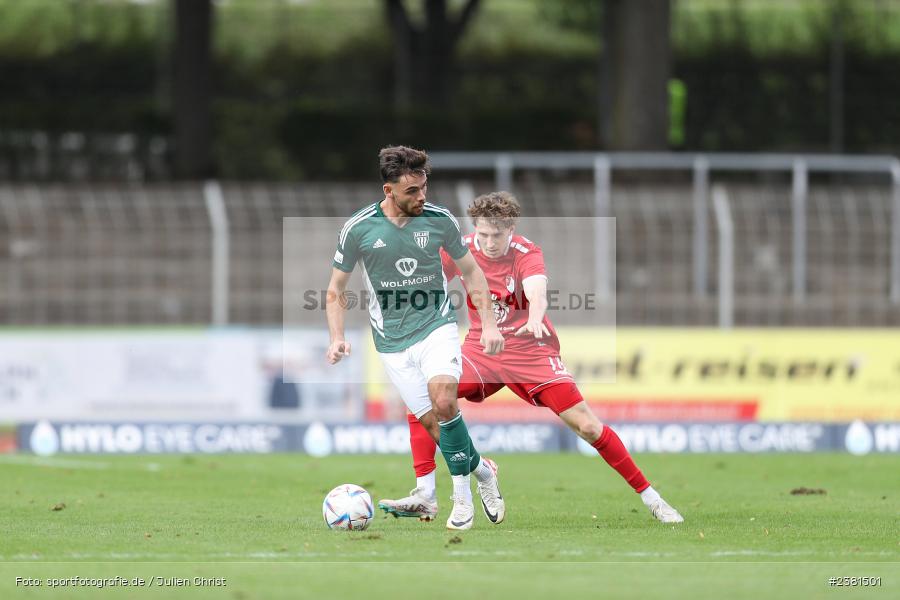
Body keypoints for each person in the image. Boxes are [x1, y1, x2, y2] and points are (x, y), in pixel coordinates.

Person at [378, 191, 684, 524]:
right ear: (474, 229)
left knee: (588, 426)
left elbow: (537, 290)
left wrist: (535, 318)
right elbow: (427, 280)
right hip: (482, 350)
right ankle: (431, 491)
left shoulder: (526, 252)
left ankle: (653, 499)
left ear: (511, 230)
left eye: (497, 235)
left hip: (530, 351)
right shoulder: (460, 248)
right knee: (422, 397)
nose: (490, 242)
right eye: (483, 234)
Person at [325, 146, 506, 531]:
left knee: (445, 399)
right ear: (388, 191)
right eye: (412, 191)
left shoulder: (440, 220)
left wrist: (488, 324)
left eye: (424, 187)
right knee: (436, 427)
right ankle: (484, 472)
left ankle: (461, 500)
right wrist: (336, 336)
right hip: (391, 342)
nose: (422, 196)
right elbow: (335, 289)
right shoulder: (358, 228)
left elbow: (473, 274)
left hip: (436, 326)